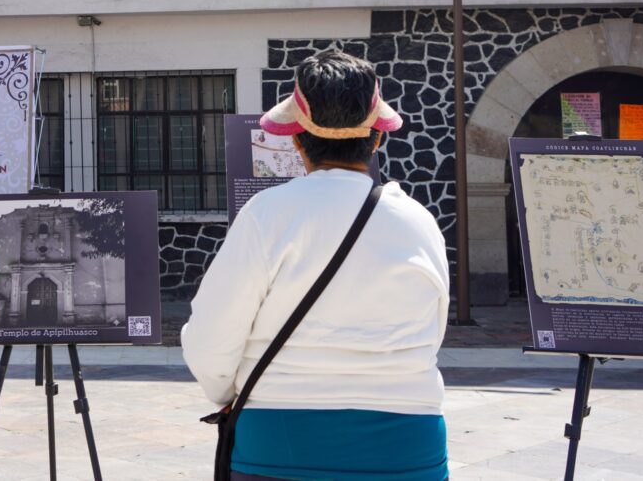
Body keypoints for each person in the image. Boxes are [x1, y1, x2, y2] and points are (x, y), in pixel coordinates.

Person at [182, 50, 450, 481]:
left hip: (280, 442)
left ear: (296, 140)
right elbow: (431, 333)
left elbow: (212, 337)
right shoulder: (420, 222)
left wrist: (226, 392)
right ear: (377, 138)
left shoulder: (266, 215)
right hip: (406, 446)